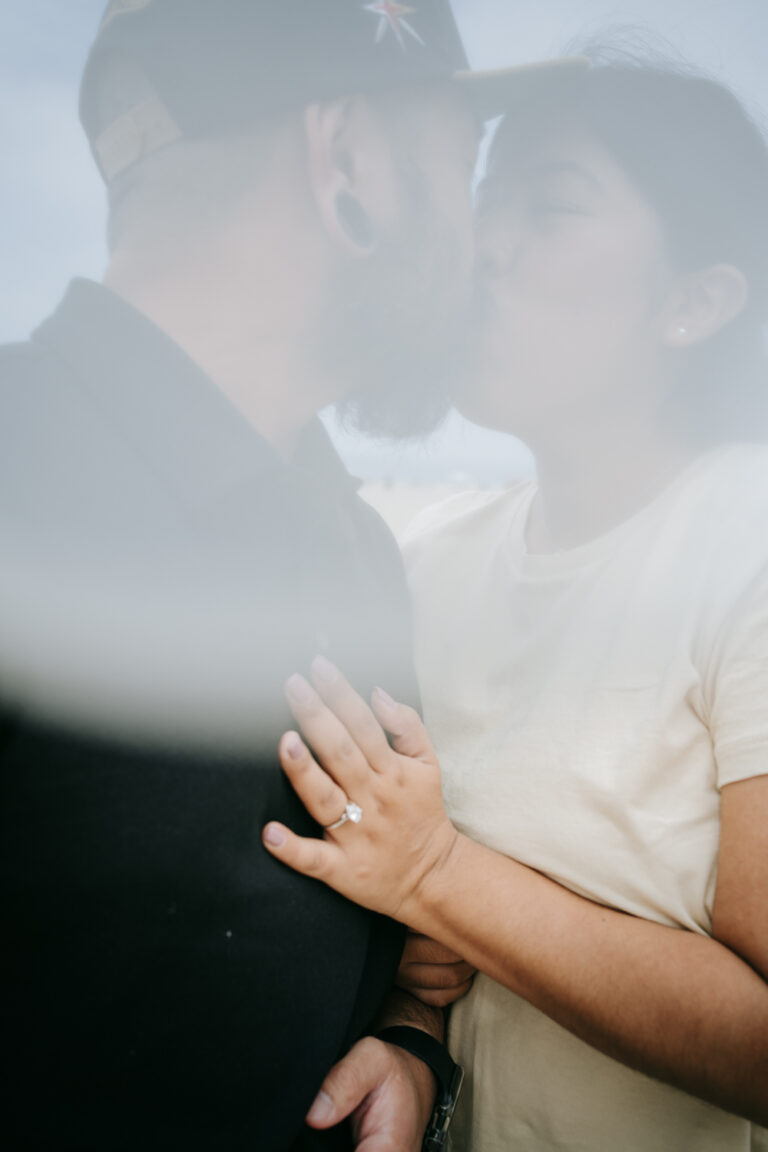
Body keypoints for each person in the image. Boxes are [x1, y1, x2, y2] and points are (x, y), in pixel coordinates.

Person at [0, 3, 577, 1148]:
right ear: (349, 160)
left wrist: (410, 1048)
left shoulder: (351, 545)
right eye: (456, 164)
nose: (476, 239)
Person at [262, 55, 768, 1151]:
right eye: (489, 198)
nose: (482, 246)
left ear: (696, 300)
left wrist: (441, 874)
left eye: (552, 206)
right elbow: (442, 961)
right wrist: (408, 1039)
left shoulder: (750, 550)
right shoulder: (423, 558)